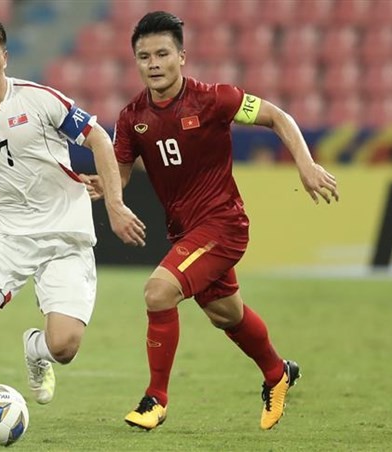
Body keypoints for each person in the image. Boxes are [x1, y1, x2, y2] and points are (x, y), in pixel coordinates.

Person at [83, 11, 339, 431]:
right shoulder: (131, 118)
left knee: (158, 292)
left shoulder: (215, 99)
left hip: (223, 225)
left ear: (181, 56)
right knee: (226, 314)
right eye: (144, 56)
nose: (154, 63)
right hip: (185, 231)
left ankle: (156, 399)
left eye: (163, 53)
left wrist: (306, 165)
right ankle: (278, 373)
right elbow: (122, 173)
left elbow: (278, 116)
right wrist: (107, 190)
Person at [0, 12, 146, 440]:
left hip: (66, 232)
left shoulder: (39, 99)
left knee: (65, 347)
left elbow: (98, 138)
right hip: (10, 233)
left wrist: (114, 203)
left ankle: (36, 348)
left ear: (5, 56)